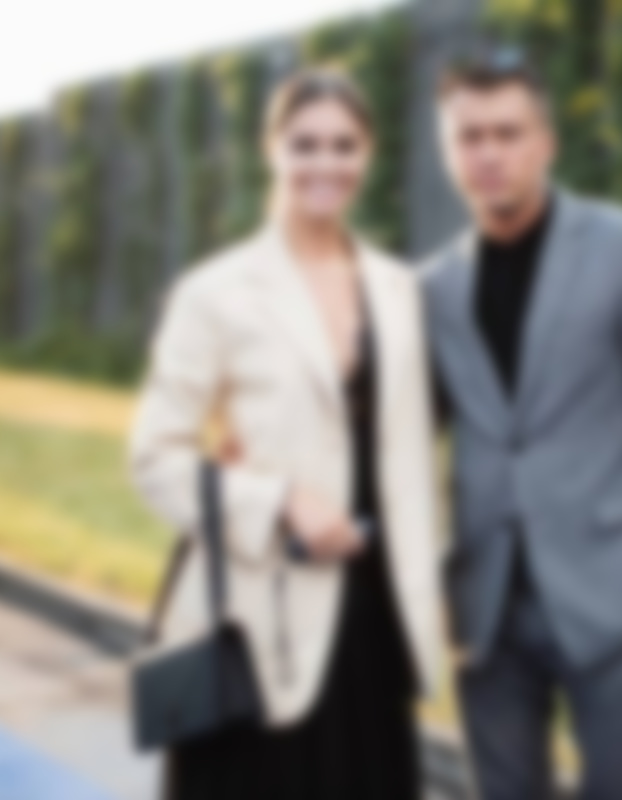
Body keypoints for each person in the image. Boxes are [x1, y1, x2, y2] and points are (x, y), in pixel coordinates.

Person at [127, 66, 443, 800]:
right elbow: (153, 458)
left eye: (344, 145)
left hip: (377, 617)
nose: (325, 164)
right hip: (261, 613)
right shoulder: (214, 292)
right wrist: (276, 499)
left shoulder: (399, 289)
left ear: (368, 154)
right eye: (305, 145)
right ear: (271, 149)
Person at [419, 44, 622, 800]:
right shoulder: (432, 288)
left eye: (508, 132)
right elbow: (398, 440)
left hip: (619, 607)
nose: (490, 153)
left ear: (546, 143)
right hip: (487, 617)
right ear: (447, 151)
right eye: (470, 136)